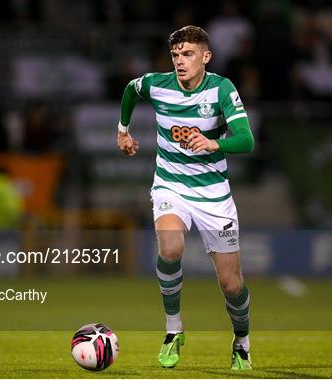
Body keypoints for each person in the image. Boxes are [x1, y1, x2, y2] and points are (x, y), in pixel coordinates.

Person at [116, 25, 254, 370]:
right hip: (171, 185)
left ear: (205, 57)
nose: (180, 61)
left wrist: (214, 143)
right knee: (170, 248)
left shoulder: (222, 89)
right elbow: (131, 91)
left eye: (188, 54)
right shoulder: (157, 84)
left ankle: (242, 341)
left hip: (213, 195)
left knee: (231, 283)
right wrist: (123, 130)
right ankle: (173, 329)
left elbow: (246, 140)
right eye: (176, 55)